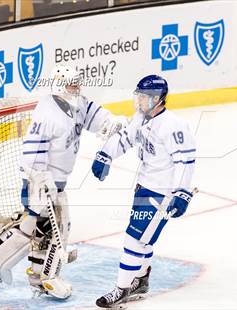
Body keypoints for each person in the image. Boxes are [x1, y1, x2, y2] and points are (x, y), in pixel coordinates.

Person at [0, 65, 126, 299]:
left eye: (77, 82)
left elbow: (97, 119)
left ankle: (2, 263)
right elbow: (33, 150)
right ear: (59, 86)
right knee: (54, 230)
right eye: (71, 83)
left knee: (38, 229)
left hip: (57, 180)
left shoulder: (77, 104)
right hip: (42, 180)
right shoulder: (47, 113)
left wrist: (113, 123)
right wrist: (36, 180)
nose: (76, 87)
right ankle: (41, 277)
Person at [91, 75, 196, 308]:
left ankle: (121, 290)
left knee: (134, 239)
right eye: (138, 95)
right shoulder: (141, 118)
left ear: (158, 99)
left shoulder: (173, 125)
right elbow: (125, 137)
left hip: (161, 194)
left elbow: (185, 161)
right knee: (143, 241)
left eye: (144, 96)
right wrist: (105, 154)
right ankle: (141, 280)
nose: (139, 100)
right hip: (144, 187)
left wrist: (181, 193)